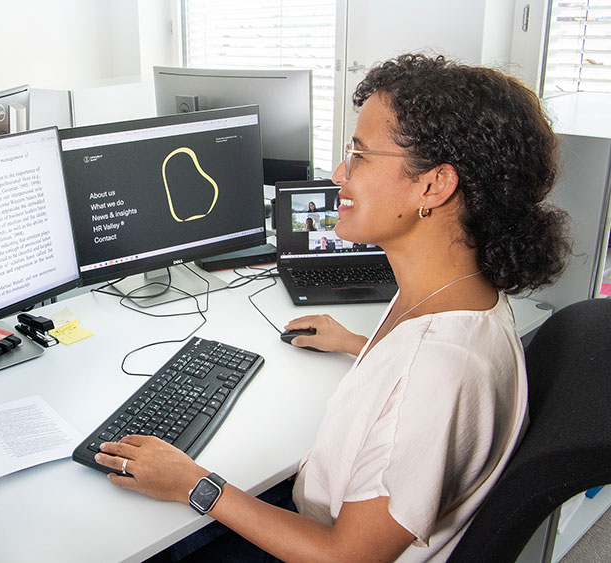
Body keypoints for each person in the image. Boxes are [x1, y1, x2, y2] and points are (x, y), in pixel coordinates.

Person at [94, 53, 570, 562]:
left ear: (434, 184)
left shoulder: (434, 373)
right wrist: (357, 345)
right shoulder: (462, 293)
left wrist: (194, 484)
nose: (340, 173)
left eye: (361, 156)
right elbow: (414, 386)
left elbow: (349, 557)